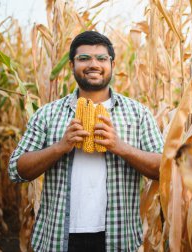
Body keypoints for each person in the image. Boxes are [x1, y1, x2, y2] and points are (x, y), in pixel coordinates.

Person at [8, 31, 164, 252]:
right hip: (58, 237)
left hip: (118, 238)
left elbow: (164, 169)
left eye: (101, 58)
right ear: (71, 65)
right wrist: (59, 148)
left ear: (112, 63)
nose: (94, 64)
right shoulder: (47, 114)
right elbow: (15, 170)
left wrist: (121, 148)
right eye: (84, 58)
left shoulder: (138, 114)